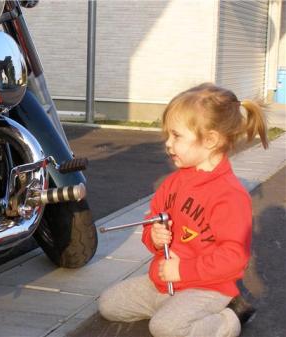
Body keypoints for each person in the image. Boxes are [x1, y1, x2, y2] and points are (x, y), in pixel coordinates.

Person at [98, 83, 268, 337]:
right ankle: (175, 309)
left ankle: (228, 320)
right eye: (168, 135)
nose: (168, 143)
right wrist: (154, 237)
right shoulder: (172, 184)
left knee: (165, 328)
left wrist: (182, 271)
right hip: (163, 281)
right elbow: (152, 224)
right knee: (109, 304)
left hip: (208, 287)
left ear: (210, 139)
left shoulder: (230, 195)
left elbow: (234, 258)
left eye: (176, 136)